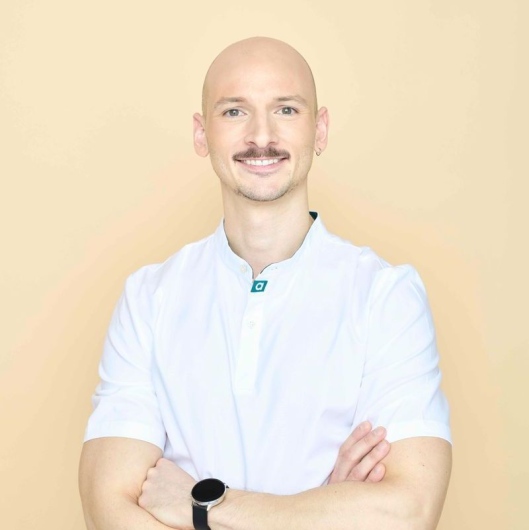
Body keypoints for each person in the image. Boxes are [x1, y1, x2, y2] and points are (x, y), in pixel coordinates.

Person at [79, 37, 452, 529]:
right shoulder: (148, 299)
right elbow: (109, 512)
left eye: (286, 110)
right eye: (235, 111)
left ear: (319, 130)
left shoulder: (386, 297)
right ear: (201, 134)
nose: (261, 135)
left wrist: (203, 506)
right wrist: (320, 511)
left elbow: (408, 514)